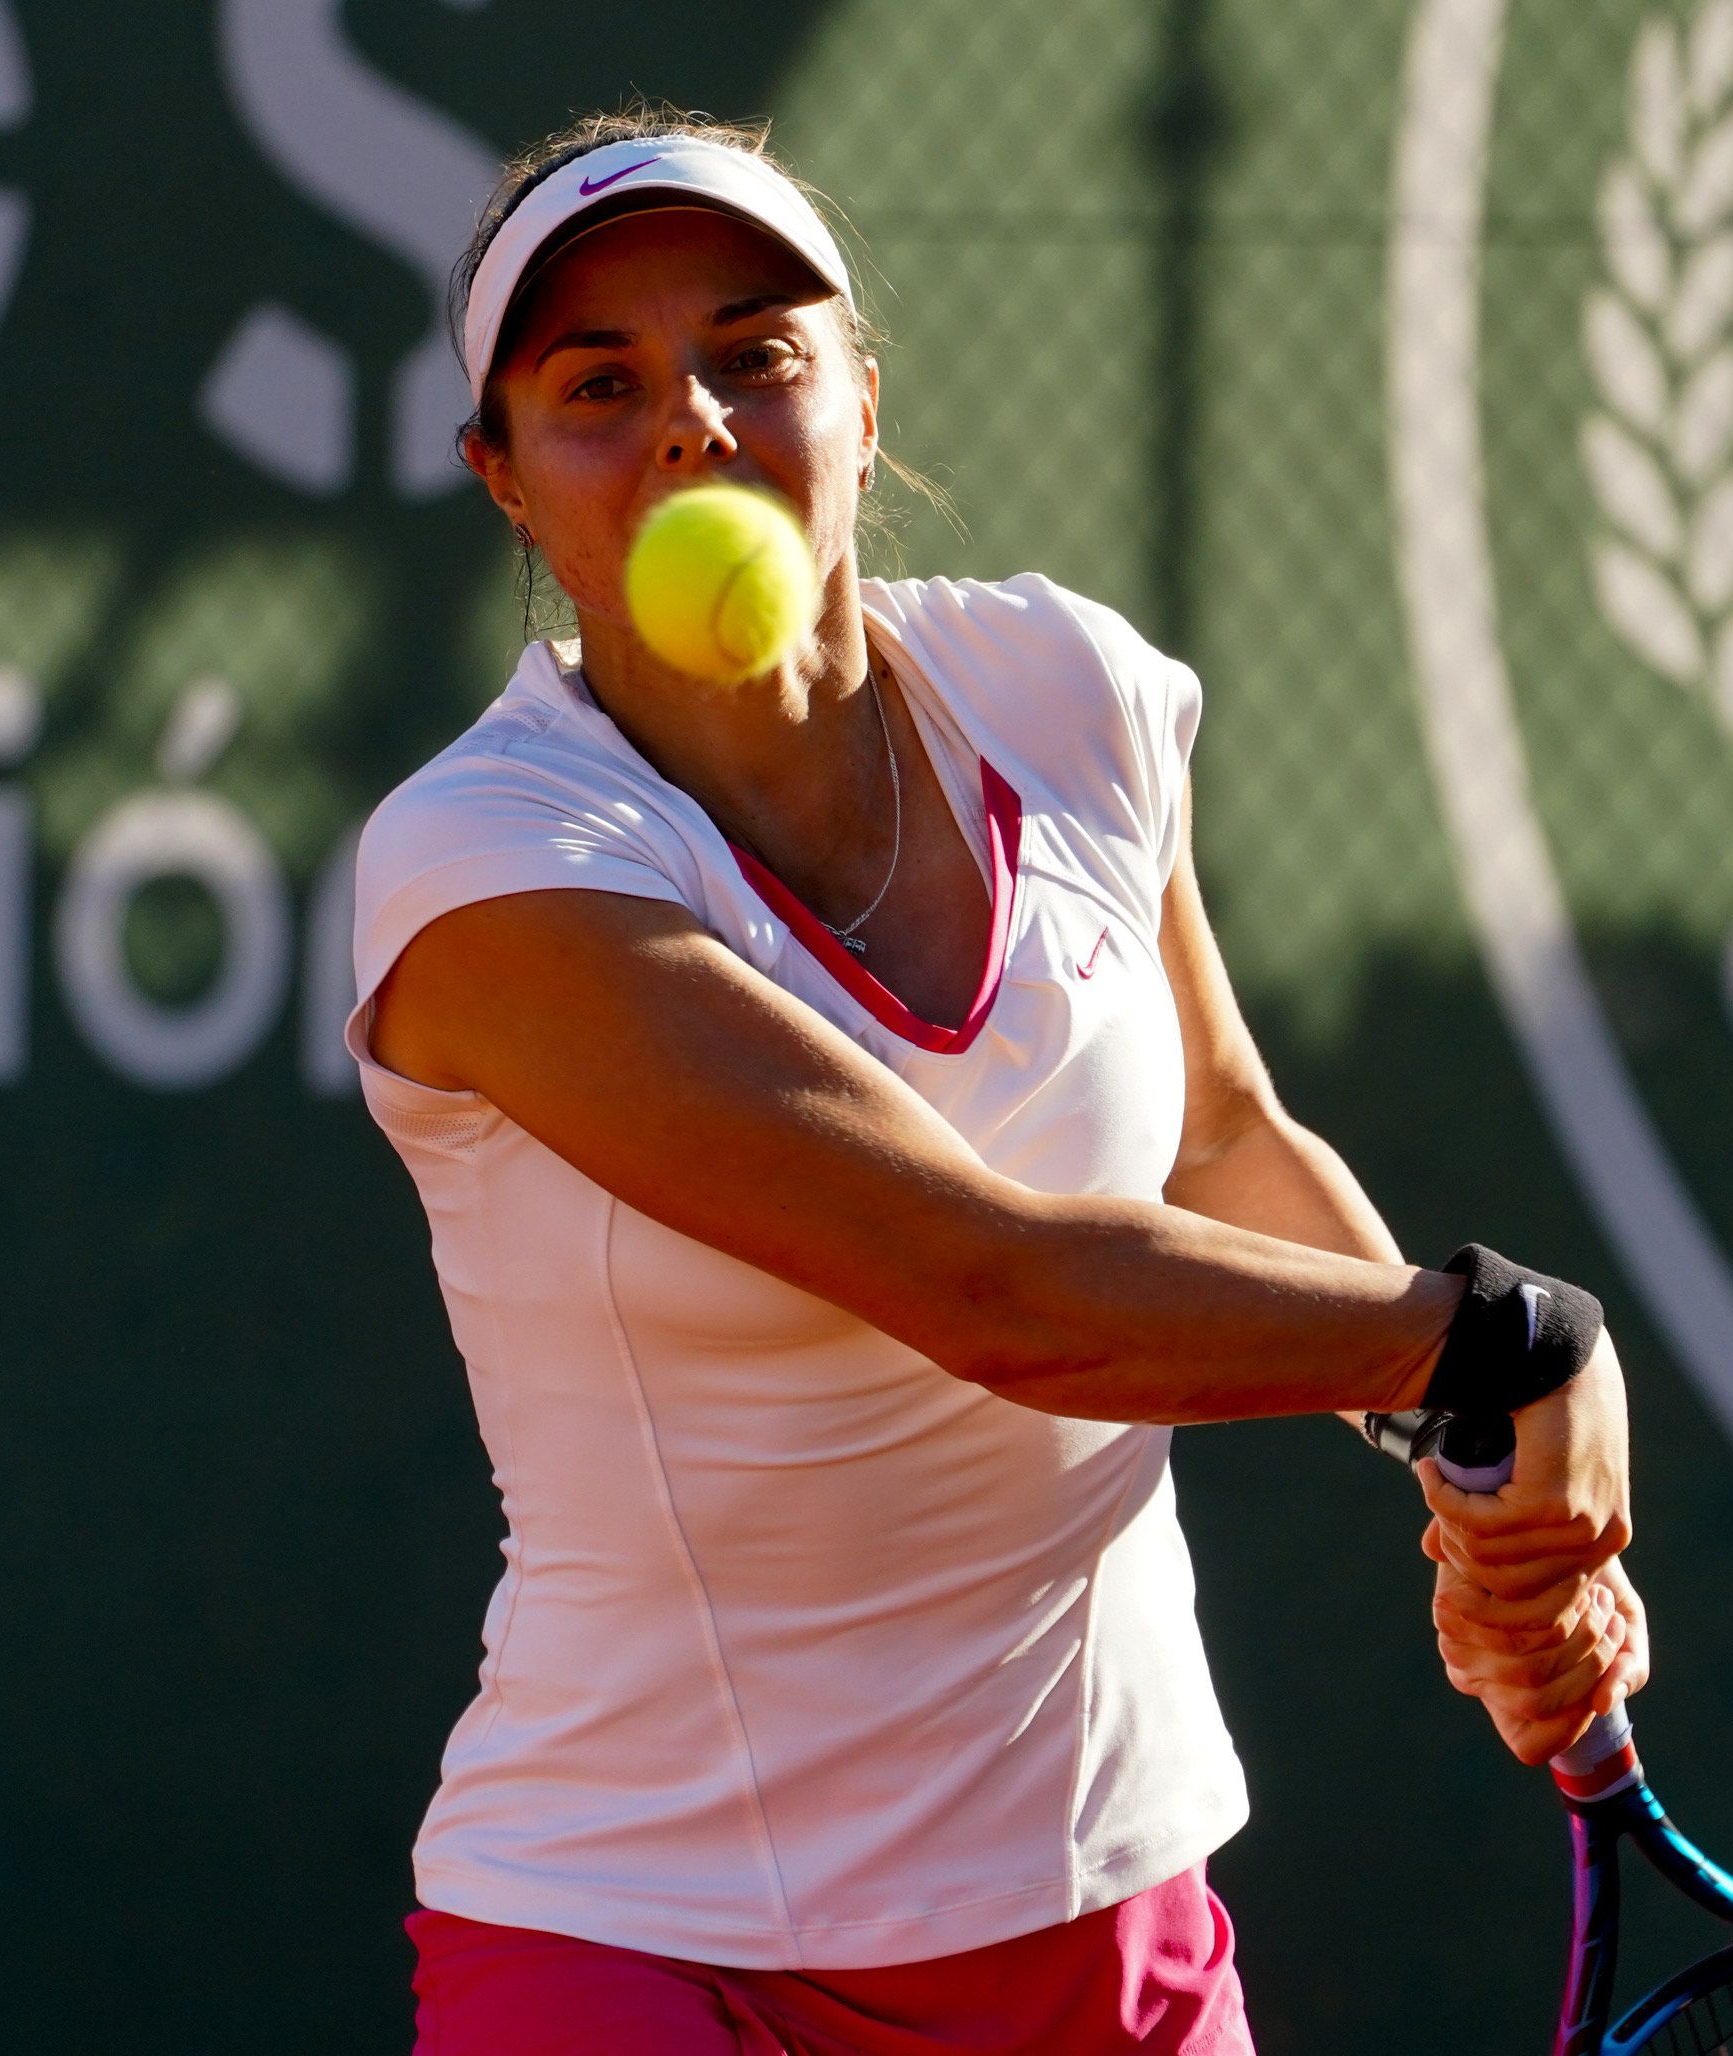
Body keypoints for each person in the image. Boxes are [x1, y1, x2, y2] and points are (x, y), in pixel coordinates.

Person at [348, 107, 1650, 2055]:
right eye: (599, 386)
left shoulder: (1067, 693)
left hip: (1104, 1921)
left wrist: (1472, 1482)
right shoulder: (488, 863)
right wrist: (1498, 1345)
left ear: (862, 405)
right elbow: (999, 1292)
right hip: (648, 1949)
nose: (692, 421)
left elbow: (1218, 1133)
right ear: (506, 480)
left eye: (754, 354)